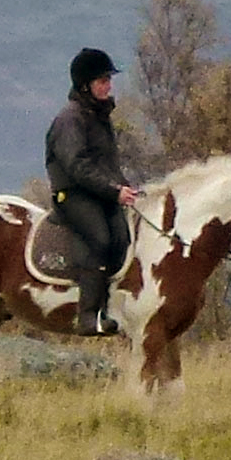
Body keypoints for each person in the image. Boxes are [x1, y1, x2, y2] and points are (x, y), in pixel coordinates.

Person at [46, 46, 137, 337]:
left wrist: (124, 187)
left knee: (122, 236)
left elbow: (107, 164)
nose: (108, 86)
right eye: (102, 81)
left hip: (97, 193)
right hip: (72, 194)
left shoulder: (99, 116)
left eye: (109, 80)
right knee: (99, 237)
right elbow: (77, 166)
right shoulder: (70, 119)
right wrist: (113, 191)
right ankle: (88, 315)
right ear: (85, 85)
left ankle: (110, 307)